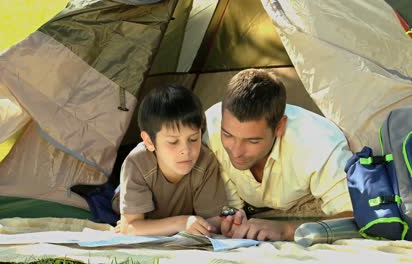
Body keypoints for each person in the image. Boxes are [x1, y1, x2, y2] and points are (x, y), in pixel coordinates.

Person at [203, 69, 353, 241]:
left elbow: (356, 216)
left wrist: (288, 230)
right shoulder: (208, 128)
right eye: (228, 135)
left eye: (252, 141)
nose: (236, 152)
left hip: (308, 210)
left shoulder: (319, 143)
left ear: (280, 127)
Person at [112, 84, 228, 236]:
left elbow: (213, 221)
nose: (186, 150)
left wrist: (209, 225)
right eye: (173, 142)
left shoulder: (206, 162)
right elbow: (130, 228)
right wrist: (182, 223)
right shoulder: (136, 163)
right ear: (149, 141)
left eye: (193, 139)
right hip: (127, 200)